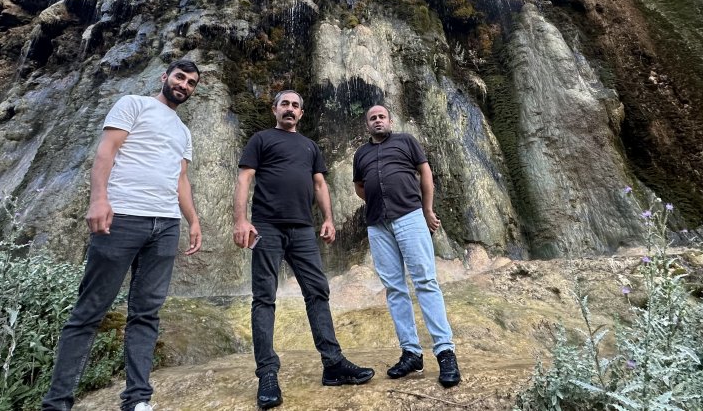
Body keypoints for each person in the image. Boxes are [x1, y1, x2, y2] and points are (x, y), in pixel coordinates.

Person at [42, 59, 204, 411]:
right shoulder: (133, 104)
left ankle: (137, 399)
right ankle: (57, 403)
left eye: (191, 83)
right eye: (180, 77)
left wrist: (192, 220)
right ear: (165, 77)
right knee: (90, 310)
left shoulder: (183, 131)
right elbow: (107, 151)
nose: (184, 85)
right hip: (123, 217)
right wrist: (98, 199)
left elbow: (181, 179)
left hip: (165, 224)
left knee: (146, 313)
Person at [233, 90, 375, 409]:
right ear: (275, 109)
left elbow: (320, 184)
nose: (290, 109)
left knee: (318, 291)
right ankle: (267, 373)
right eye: (285, 104)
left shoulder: (310, 146)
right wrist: (241, 220)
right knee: (264, 297)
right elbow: (244, 179)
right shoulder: (261, 139)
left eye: (295, 105)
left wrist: (328, 219)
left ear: (301, 113)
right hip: (267, 227)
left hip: (302, 230)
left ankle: (333, 364)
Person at [352, 104, 461, 388]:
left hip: (410, 217)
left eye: (382, 117)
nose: (378, 120)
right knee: (394, 288)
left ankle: (445, 352)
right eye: (373, 118)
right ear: (367, 124)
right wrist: (380, 199)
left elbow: (425, 173)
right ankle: (411, 352)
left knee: (425, 281)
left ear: (390, 120)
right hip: (377, 225)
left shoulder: (406, 141)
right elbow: (360, 187)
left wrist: (427, 210)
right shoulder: (361, 154)